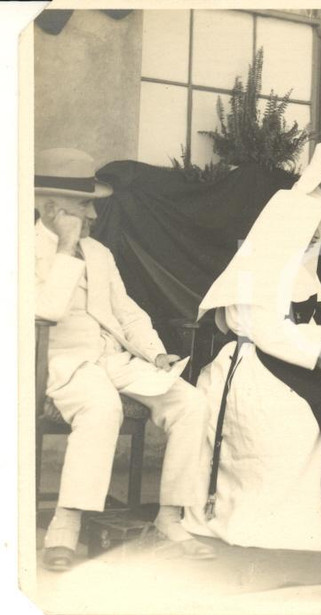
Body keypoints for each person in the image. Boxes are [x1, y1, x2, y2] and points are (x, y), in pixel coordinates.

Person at [184, 142, 321, 551]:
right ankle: (318, 522)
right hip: (253, 364)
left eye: (315, 232)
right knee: (305, 417)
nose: (312, 238)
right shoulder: (258, 267)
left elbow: (304, 319)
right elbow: (262, 329)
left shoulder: (301, 270)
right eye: (306, 232)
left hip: (289, 360)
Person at [34, 148, 214, 571]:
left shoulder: (98, 254)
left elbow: (127, 312)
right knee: (102, 407)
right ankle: (65, 527)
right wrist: (63, 248)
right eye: (84, 204)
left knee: (192, 403)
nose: (94, 215)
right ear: (52, 206)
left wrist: (155, 352)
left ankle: (170, 516)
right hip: (60, 362)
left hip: (113, 360)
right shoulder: (22, 248)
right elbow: (45, 312)